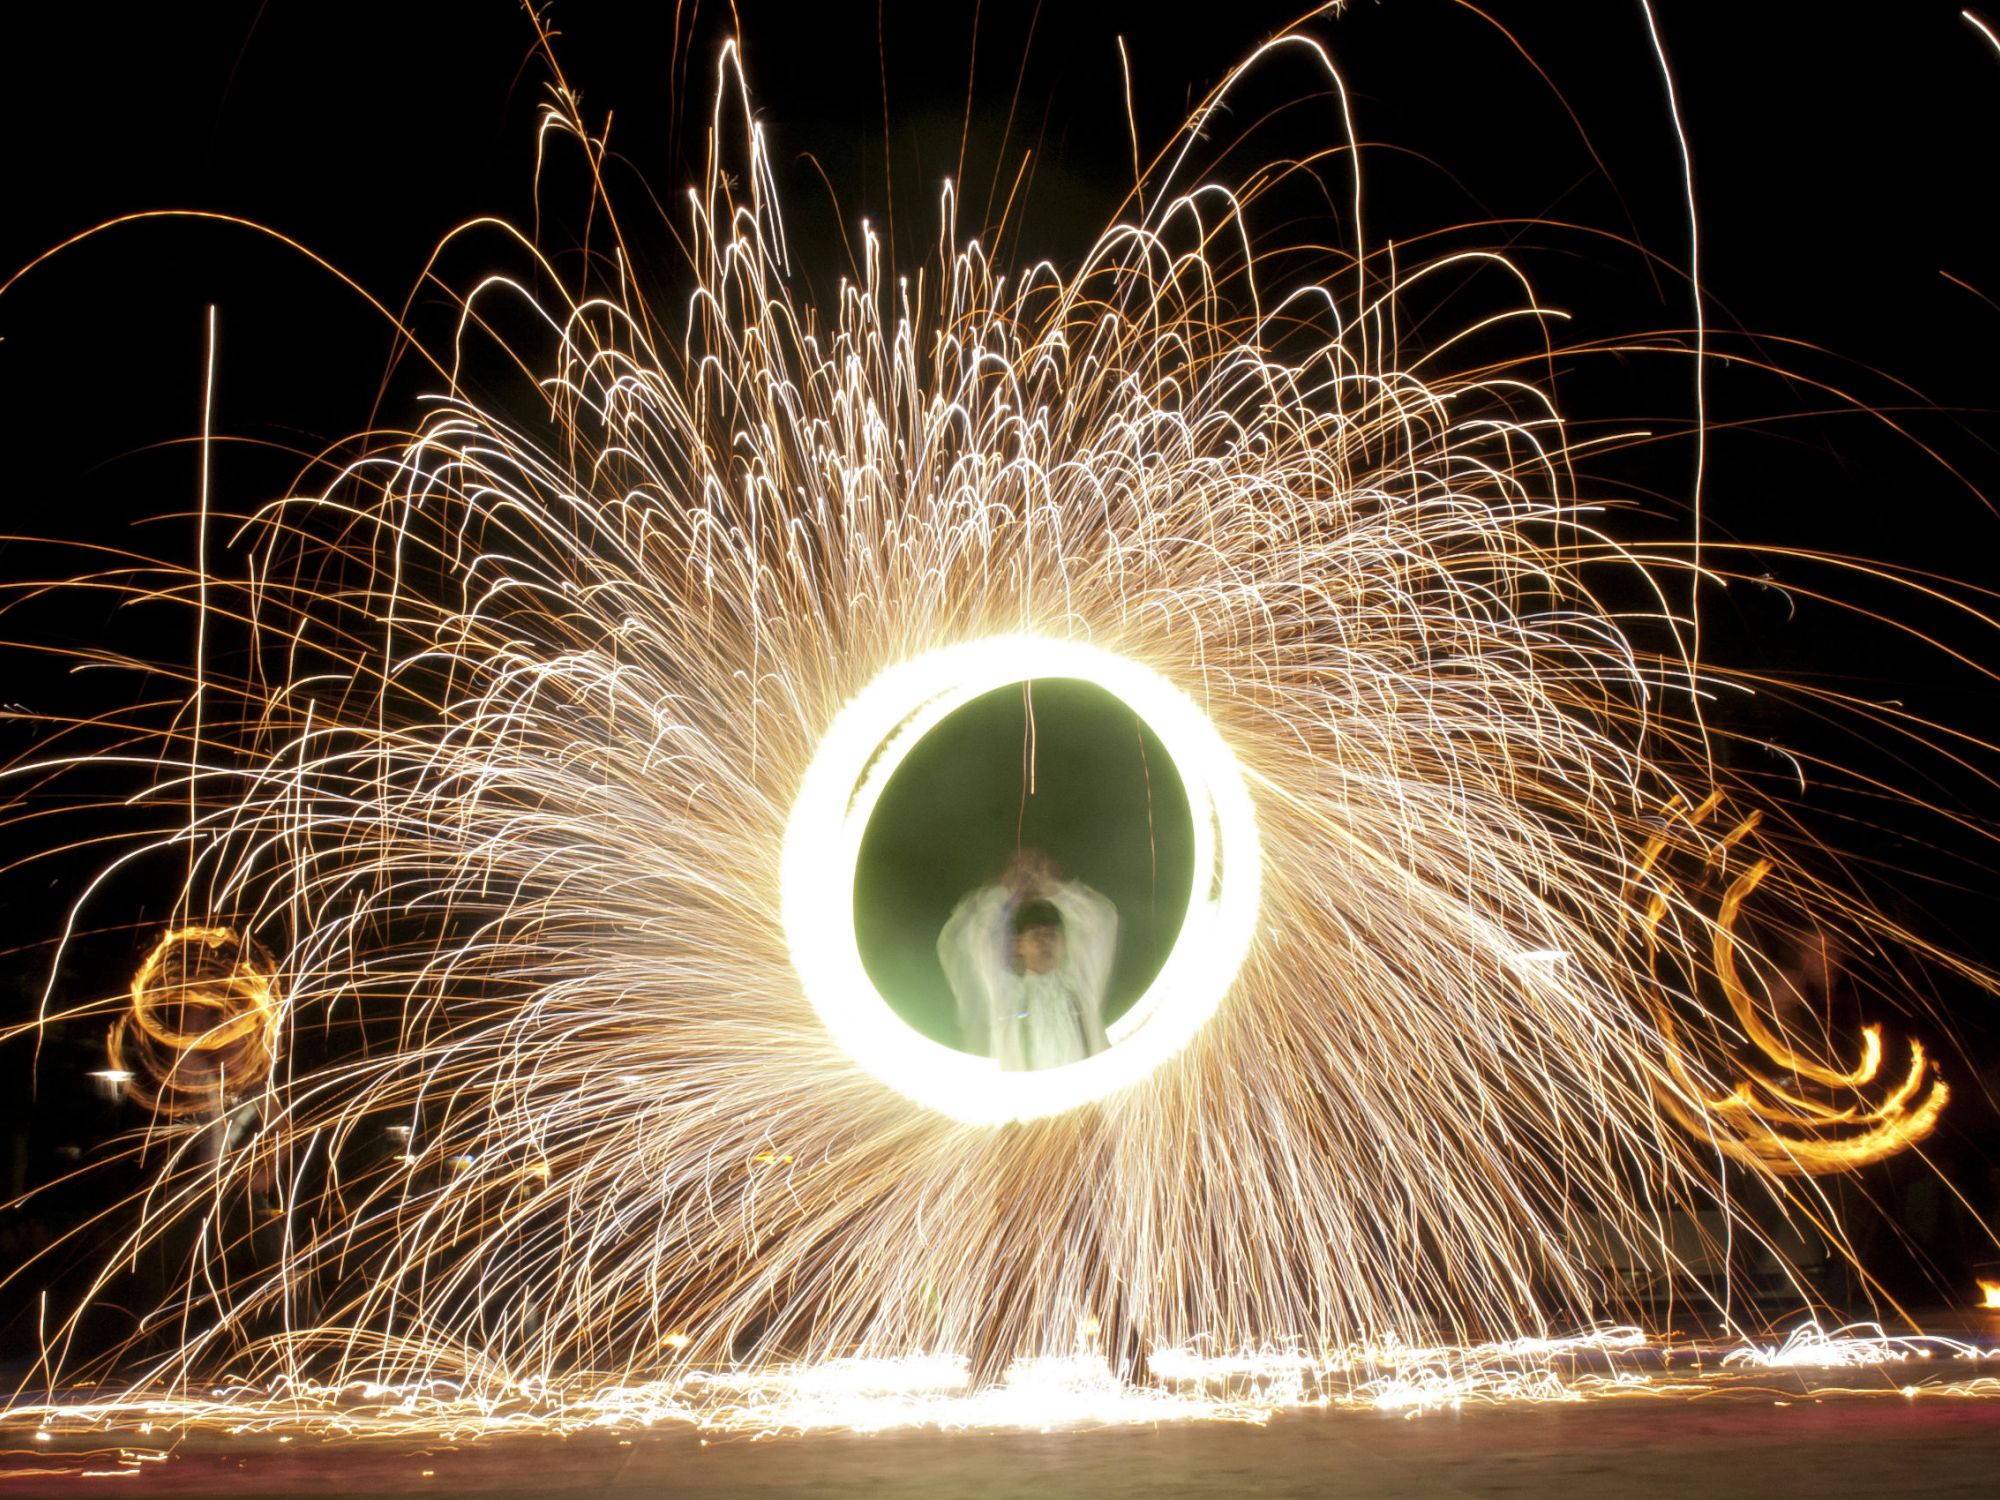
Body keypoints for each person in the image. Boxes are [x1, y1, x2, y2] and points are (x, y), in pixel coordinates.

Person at [937, 850, 1116, 1070]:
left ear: (1063, 943)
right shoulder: (1007, 995)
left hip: (1092, 1100)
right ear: (1018, 945)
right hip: (1028, 1102)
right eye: (1036, 936)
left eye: (1051, 935)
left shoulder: (1079, 987)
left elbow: (1102, 921)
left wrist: (1055, 889)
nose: (1045, 943)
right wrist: (1006, 892)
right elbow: (971, 938)